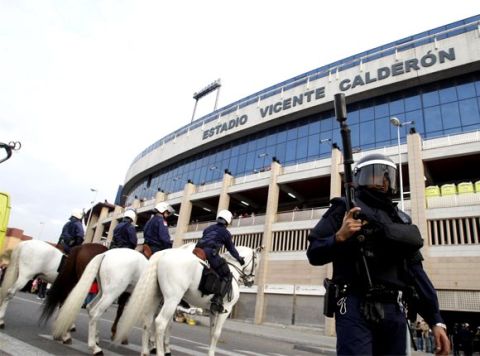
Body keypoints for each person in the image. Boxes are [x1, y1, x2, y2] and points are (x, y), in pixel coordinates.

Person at [306, 153, 450, 356]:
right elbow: (314, 252)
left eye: (387, 176)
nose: (383, 182)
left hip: (394, 309)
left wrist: (435, 319)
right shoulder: (344, 209)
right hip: (354, 304)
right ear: (360, 177)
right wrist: (339, 237)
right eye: (376, 174)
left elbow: (416, 272)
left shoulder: (400, 220)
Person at [195, 209, 245, 313]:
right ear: (228, 220)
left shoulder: (208, 228)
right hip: (210, 253)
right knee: (227, 274)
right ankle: (217, 300)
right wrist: (239, 259)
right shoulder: (226, 233)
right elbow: (231, 249)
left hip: (197, 251)